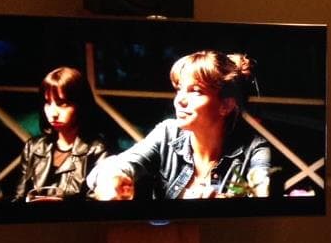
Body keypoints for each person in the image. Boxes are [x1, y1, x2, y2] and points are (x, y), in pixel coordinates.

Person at [87, 50, 271, 200]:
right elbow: (117, 166)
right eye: (179, 89)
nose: (179, 100)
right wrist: (113, 178)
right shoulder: (168, 133)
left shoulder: (254, 148)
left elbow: (263, 196)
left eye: (195, 91)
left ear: (226, 105)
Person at [9, 66, 111, 201]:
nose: (53, 113)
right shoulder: (33, 147)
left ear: (81, 104)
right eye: (47, 102)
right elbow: (18, 199)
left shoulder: (97, 149)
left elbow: (97, 207)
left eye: (62, 104)